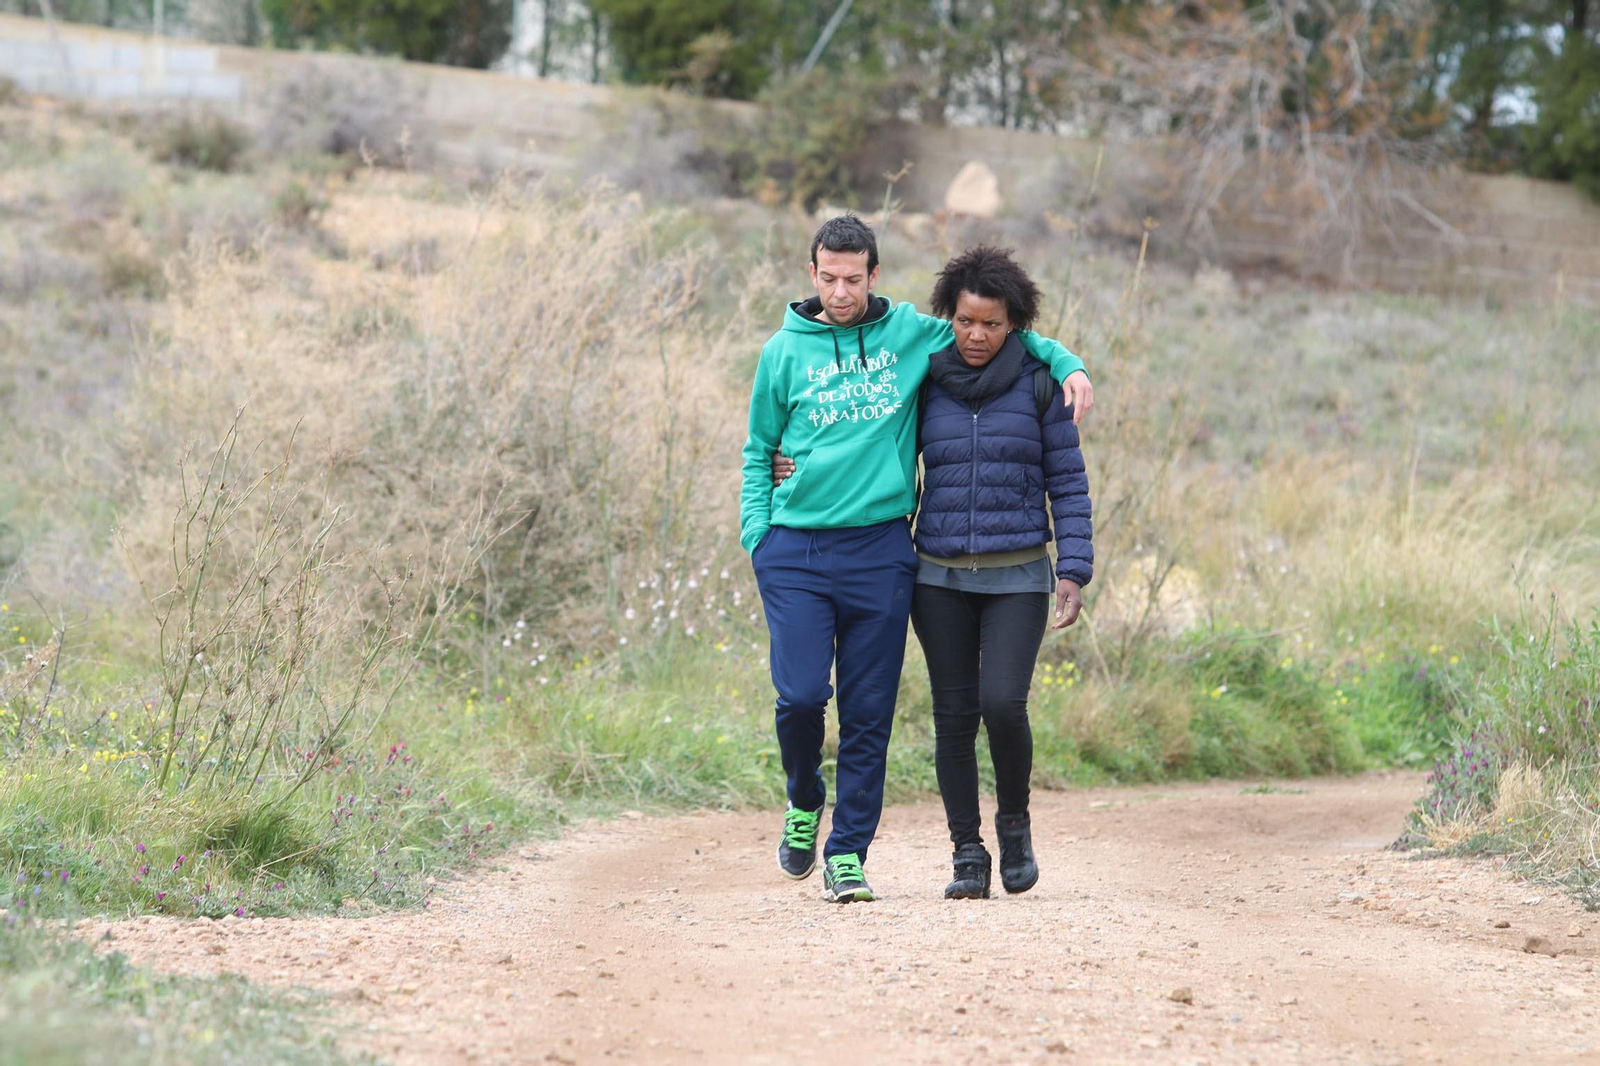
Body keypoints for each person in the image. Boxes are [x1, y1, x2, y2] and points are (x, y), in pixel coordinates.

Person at [740, 214, 1092, 904]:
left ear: (875, 275)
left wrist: (1069, 364)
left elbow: (1007, 332)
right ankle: (805, 799)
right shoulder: (784, 351)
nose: (841, 292)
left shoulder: (911, 336)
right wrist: (760, 535)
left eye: (854, 278)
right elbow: (758, 450)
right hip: (802, 550)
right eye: (828, 278)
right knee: (804, 696)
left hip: (883, 549)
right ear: (812, 275)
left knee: (872, 712)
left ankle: (849, 855)